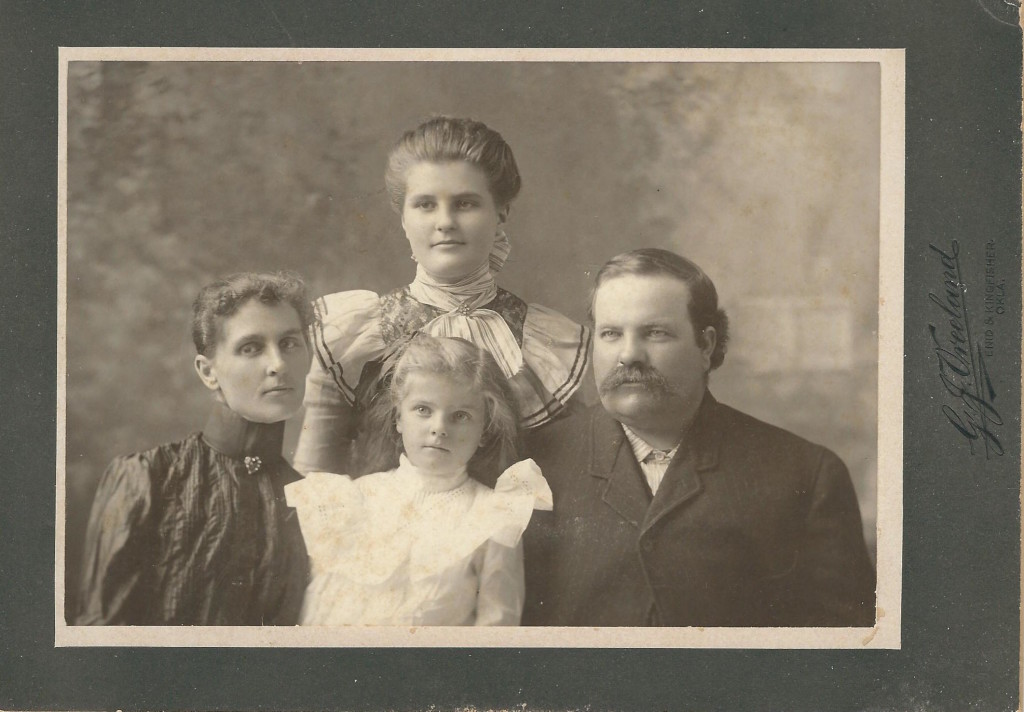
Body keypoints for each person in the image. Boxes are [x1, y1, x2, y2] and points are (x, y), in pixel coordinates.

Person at [522, 248, 876, 627]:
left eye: (655, 333)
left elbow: (845, 651)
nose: (628, 355)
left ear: (706, 345)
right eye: (610, 334)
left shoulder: (805, 475)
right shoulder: (534, 464)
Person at [295, 116, 591, 476]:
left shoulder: (542, 344)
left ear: (501, 213)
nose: (445, 221)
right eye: (425, 205)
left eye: (465, 204)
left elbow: (576, 480)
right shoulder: (355, 338)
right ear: (403, 218)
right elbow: (315, 483)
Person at [76, 272, 313, 626]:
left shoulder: (311, 496)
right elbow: (101, 639)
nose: (278, 364)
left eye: (290, 343)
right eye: (250, 348)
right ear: (208, 372)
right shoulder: (148, 478)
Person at [285, 335, 552, 626]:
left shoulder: (495, 515)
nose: (438, 428)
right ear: (399, 418)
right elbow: (319, 607)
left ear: (485, 430)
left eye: (460, 416)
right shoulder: (354, 497)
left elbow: (498, 627)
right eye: (423, 410)